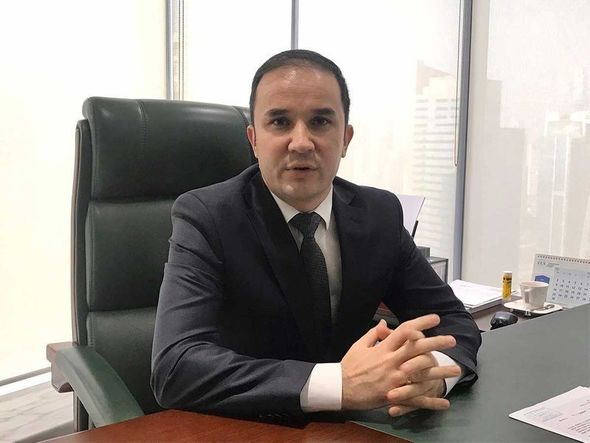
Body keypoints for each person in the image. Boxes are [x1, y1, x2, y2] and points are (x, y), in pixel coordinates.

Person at [151, 49, 481, 422]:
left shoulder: (380, 214)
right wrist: (338, 384)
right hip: (250, 426)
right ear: (254, 139)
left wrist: (433, 372)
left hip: (357, 427)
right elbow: (175, 366)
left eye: (321, 121)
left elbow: (451, 319)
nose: (301, 142)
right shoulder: (207, 217)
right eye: (280, 122)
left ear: (346, 138)